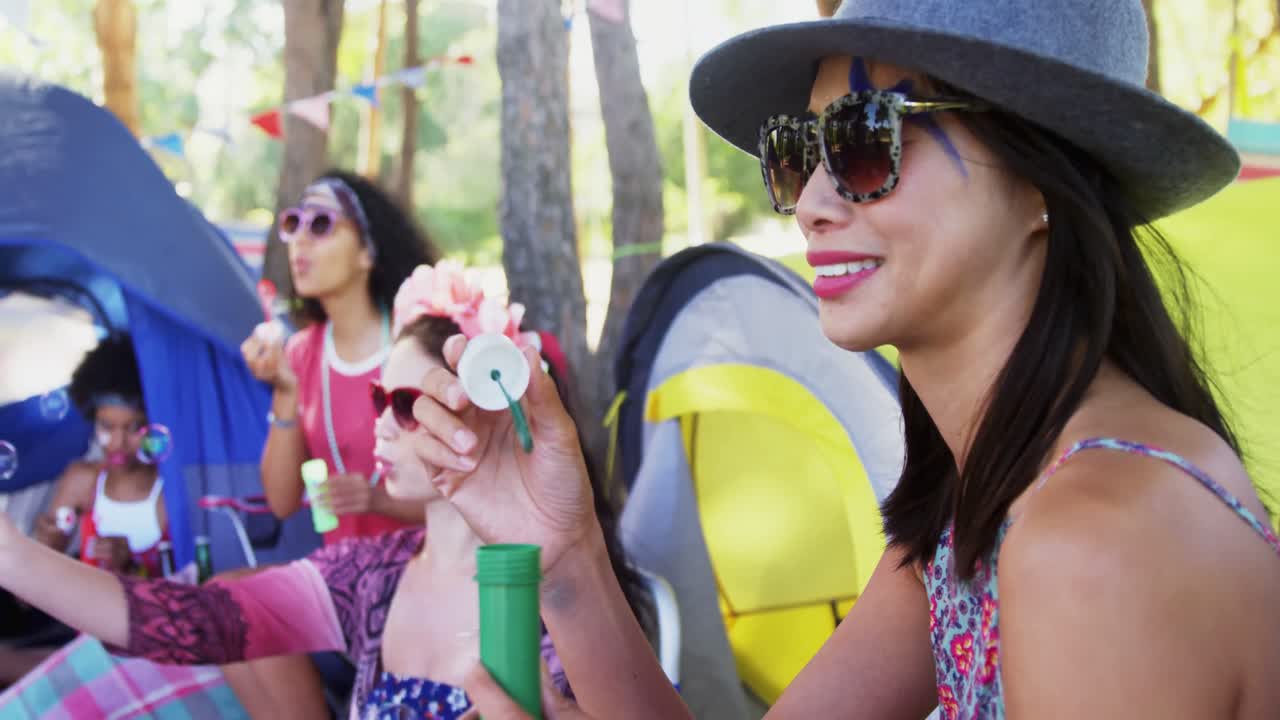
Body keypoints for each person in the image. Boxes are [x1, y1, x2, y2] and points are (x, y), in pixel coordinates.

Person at [414, 1, 1280, 718]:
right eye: (798, 152)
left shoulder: (1094, 542)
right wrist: (564, 549)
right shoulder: (976, 515)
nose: (814, 203)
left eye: (869, 138)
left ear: (1045, 181)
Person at [0, 263, 649, 720]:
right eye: (376, 400)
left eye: (401, 403)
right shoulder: (375, 574)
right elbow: (199, 622)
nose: (378, 426)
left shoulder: (562, 616)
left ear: (486, 406)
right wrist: (15, 558)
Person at [234, 169, 438, 718]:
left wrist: (379, 503)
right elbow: (280, 502)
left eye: (322, 224)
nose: (300, 239)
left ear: (367, 251)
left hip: (424, 577)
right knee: (225, 601)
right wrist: (284, 394)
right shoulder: (301, 353)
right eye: (293, 223)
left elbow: (469, 489)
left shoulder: (416, 344)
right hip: (345, 583)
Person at [34, 334, 166, 577]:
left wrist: (131, 565)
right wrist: (46, 548)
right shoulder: (82, 481)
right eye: (106, 426)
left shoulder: (170, 492)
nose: (118, 443)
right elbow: (26, 599)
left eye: (134, 428)